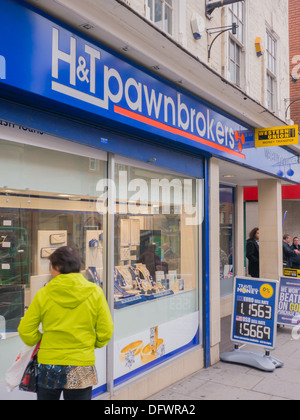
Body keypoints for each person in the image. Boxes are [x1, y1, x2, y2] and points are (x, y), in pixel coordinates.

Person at [18, 246, 113, 401]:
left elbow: (26, 330)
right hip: (81, 363)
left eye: (51, 266)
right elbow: (106, 330)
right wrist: (90, 344)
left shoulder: (44, 293)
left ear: (58, 267)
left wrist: (40, 340)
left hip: (50, 363)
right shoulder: (95, 292)